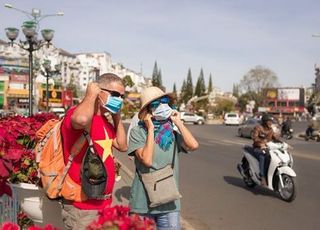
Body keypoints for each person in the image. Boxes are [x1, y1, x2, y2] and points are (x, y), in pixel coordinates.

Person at [60, 73, 128, 229]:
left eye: (122, 96)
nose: (120, 99)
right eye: (115, 94)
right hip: (82, 208)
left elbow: (122, 146)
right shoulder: (78, 115)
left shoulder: (106, 122)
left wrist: (116, 116)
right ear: (98, 90)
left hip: (104, 205)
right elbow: (81, 120)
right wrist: (90, 96)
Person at [127, 86, 199, 230]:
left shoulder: (172, 132)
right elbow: (147, 160)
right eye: (155, 104)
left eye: (164, 101)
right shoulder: (138, 132)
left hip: (169, 202)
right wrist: (151, 129)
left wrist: (178, 122)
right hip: (142, 204)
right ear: (147, 111)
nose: (161, 106)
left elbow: (193, 145)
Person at [252, 114, 281, 187]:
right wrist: (261, 144)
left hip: (267, 148)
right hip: (258, 148)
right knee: (263, 156)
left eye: (271, 121)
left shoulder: (270, 129)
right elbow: (254, 138)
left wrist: (283, 143)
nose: (270, 123)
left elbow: (275, 138)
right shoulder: (258, 128)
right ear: (265, 122)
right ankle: (262, 177)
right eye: (269, 121)